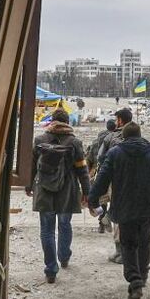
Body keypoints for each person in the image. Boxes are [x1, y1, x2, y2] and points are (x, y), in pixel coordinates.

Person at [89, 122, 150, 299]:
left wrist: (93, 199)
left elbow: (102, 178)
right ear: (140, 135)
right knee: (144, 242)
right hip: (148, 207)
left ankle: (135, 280)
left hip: (125, 207)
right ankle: (142, 275)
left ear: (124, 137)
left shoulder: (115, 153)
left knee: (128, 244)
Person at [26, 108, 90, 284]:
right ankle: (64, 256)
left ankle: (51, 270)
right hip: (67, 191)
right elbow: (82, 170)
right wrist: (86, 192)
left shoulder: (39, 140)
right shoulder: (74, 142)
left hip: (44, 190)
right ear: (67, 122)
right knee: (64, 224)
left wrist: (28, 185)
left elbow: (31, 166)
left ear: (52, 121)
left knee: (46, 230)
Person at [96, 107, 133, 263]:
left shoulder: (110, 138)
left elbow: (100, 157)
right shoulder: (137, 136)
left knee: (117, 215)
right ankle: (127, 251)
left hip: (115, 182)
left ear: (120, 121)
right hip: (134, 183)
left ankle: (120, 251)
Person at [87, 119, 117, 233]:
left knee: (102, 199)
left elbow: (89, 158)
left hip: (99, 172)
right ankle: (109, 218)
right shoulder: (116, 140)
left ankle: (101, 223)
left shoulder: (96, 141)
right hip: (114, 173)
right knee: (114, 197)